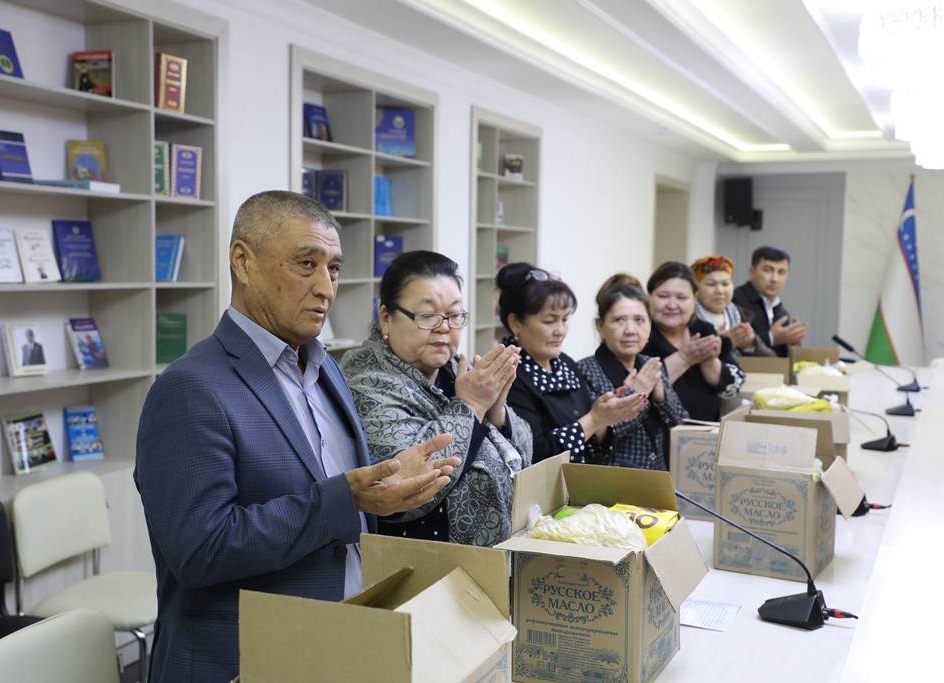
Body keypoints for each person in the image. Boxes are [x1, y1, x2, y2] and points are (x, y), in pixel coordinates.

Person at [134, 191, 461, 683]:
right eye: (306, 264)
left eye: (334, 268)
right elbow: (201, 550)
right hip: (245, 659)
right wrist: (347, 498)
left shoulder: (327, 367)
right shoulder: (190, 388)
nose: (326, 287)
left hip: (339, 640)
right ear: (242, 262)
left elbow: (336, 499)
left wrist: (387, 491)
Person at [341, 251, 533, 547]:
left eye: (454, 316)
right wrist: (472, 406)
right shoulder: (364, 380)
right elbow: (407, 486)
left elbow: (526, 457)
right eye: (428, 315)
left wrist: (496, 412)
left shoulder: (454, 369)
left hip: (495, 551)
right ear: (386, 319)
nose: (444, 327)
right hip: (419, 558)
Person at [497, 263, 646, 465]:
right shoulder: (508, 373)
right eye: (549, 321)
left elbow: (590, 446)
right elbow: (535, 452)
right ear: (515, 323)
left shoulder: (565, 364)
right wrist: (594, 419)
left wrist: (604, 419)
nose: (560, 330)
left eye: (565, 319)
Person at [577, 282, 688, 470]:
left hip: (657, 478)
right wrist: (637, 395)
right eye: (619, 320)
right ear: (600, 327)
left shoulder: (650, 364)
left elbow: (682, 424)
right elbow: (593, 443)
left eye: (639, 320)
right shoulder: (584, 370)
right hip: (612, 481)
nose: (630, 330)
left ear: (650, 325)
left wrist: (661, 397)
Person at [642, 261, 745, 422]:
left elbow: (734, 386)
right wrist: (684, 358)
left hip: (708, 432)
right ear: (650, 297)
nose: (672, 305)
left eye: (681, 297)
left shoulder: (703, 331)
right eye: (663, 296)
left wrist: (710, 363)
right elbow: (637, 391)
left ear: (695, 299)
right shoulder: (641, 336)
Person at [691, 255, 776, 357]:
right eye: (711, 284)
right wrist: (722, 342)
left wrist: (750, 345)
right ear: (696, 288)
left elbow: (771, 359)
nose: (720, 290)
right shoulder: (689, 318)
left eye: (725, 284)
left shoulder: (740, 315)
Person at [732, 246, 807, 357]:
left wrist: (792, 342)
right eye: (767, 270)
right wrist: (771, 337)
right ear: (751, 272)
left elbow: (780, 357)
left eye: (781, 272)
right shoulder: (735, 300)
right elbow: (734, 346)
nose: (774, 279)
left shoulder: (781, 311)